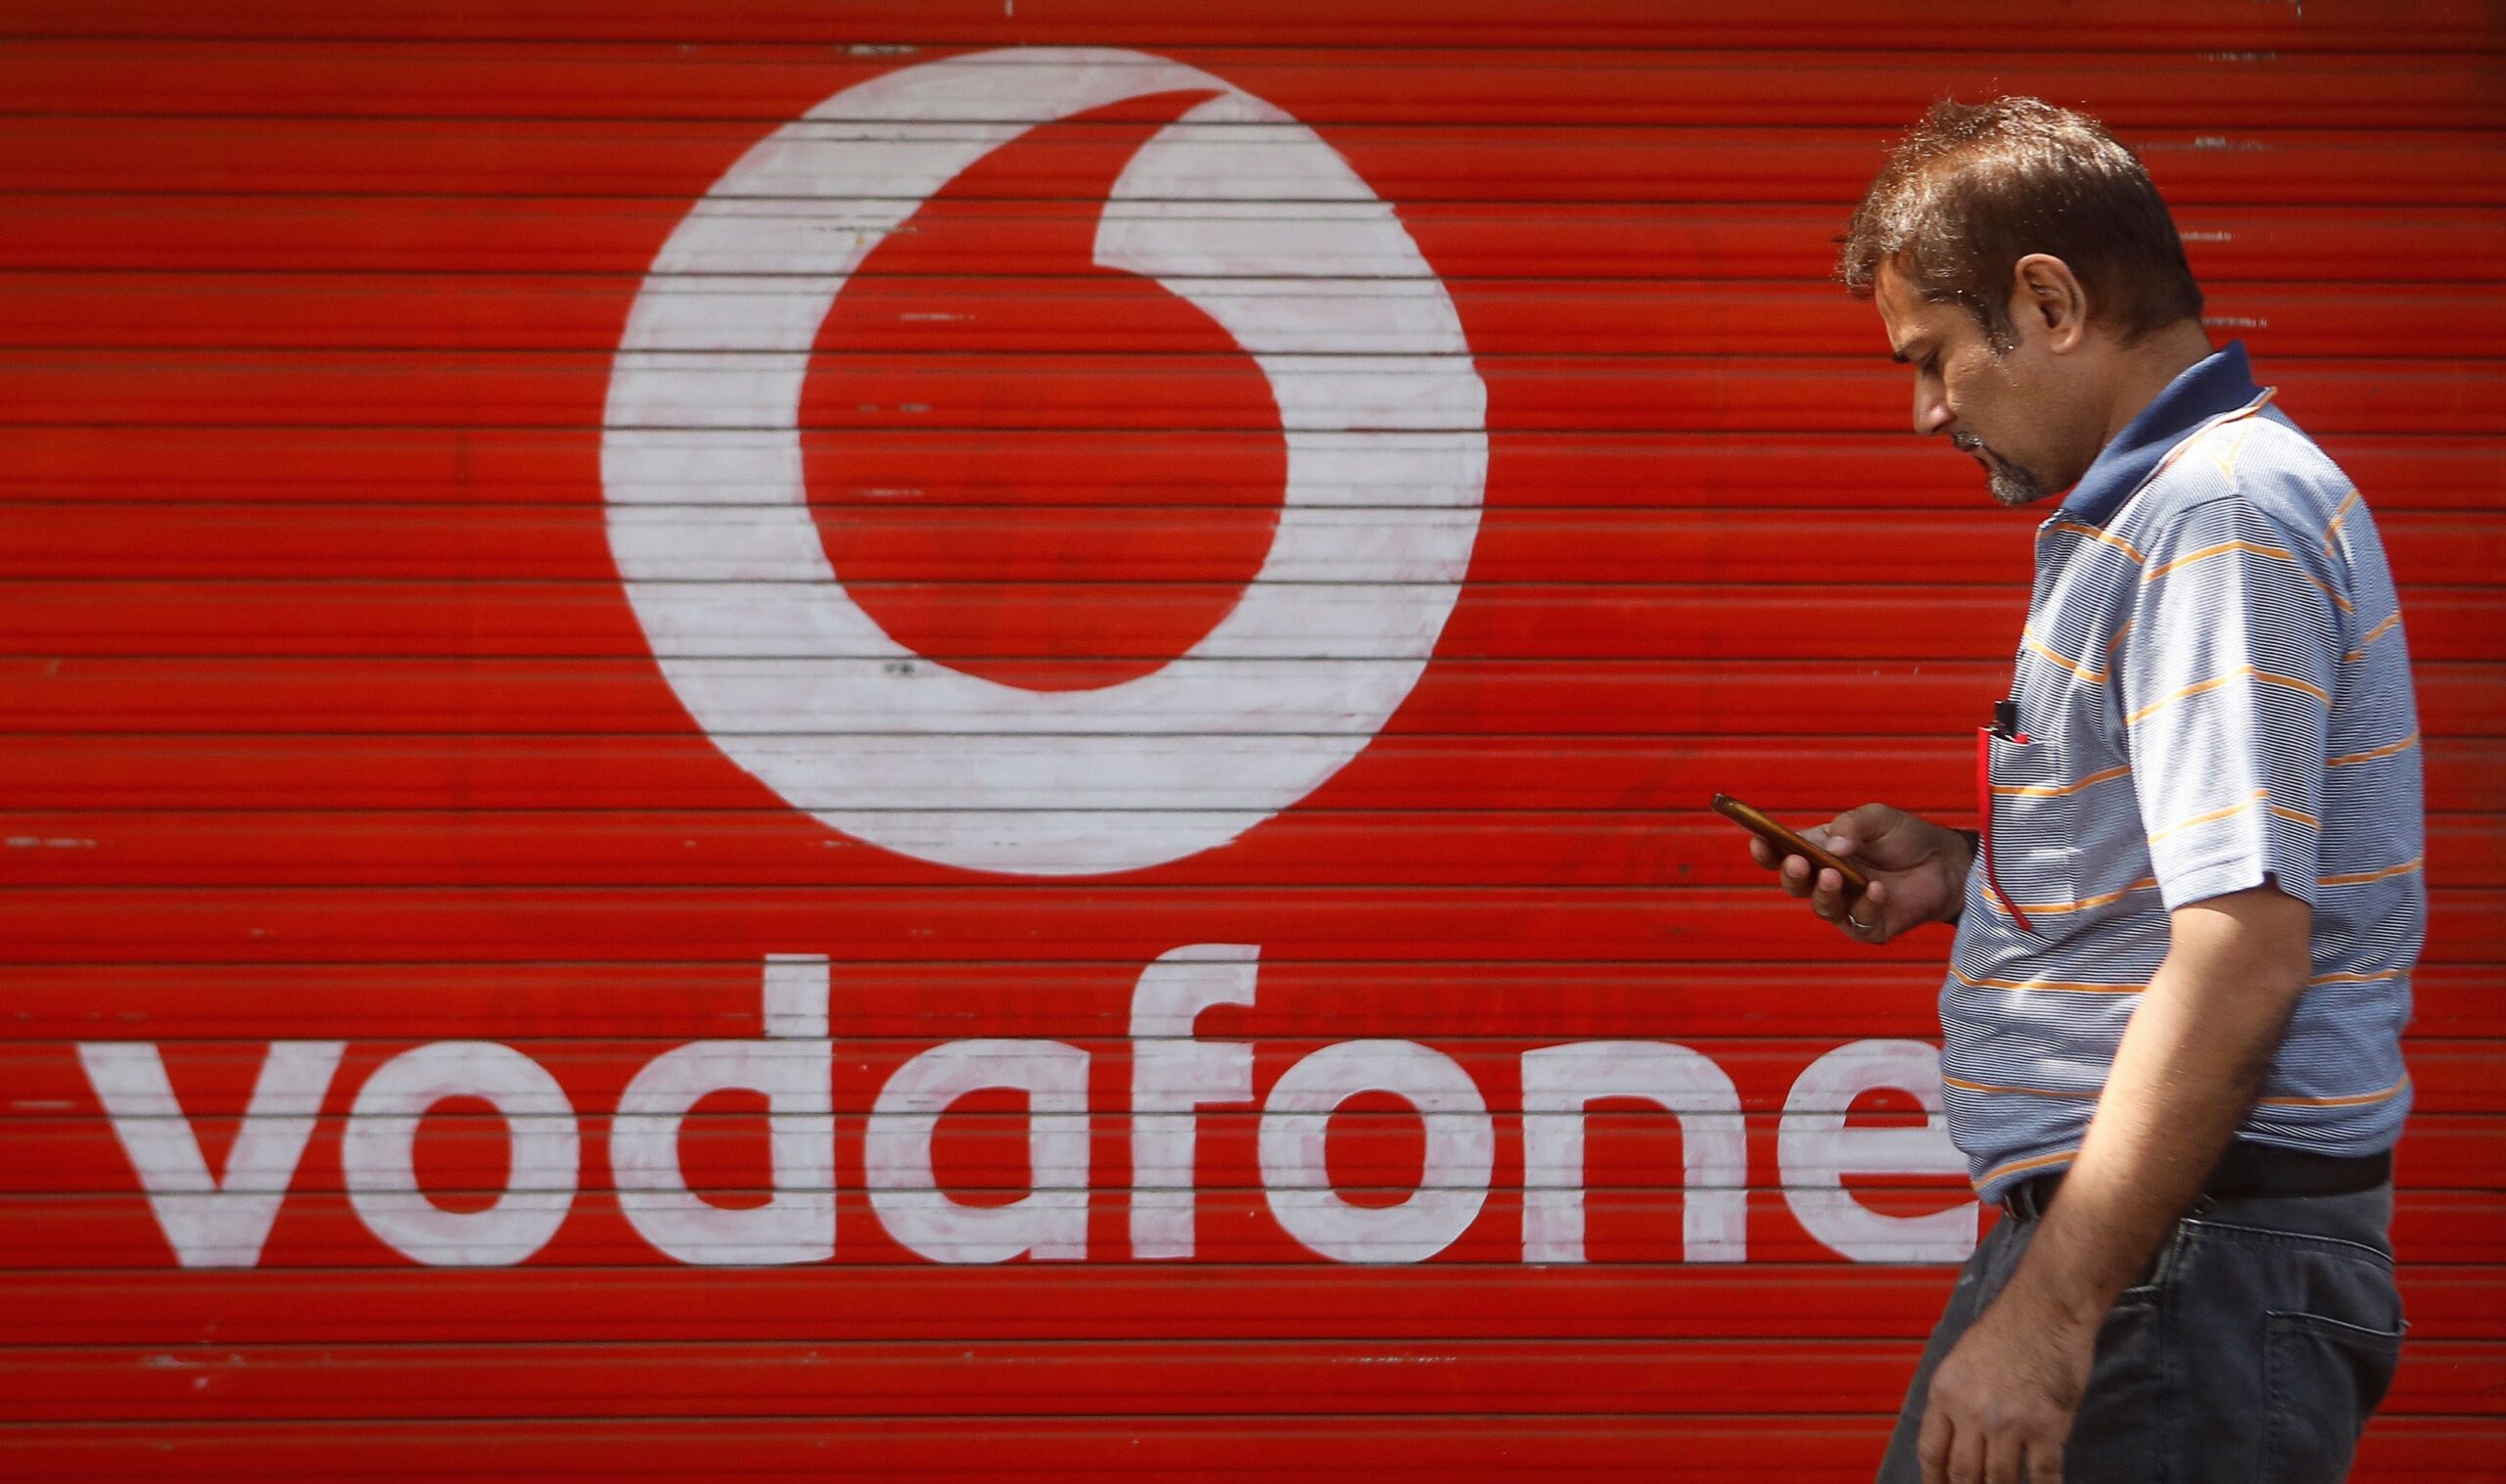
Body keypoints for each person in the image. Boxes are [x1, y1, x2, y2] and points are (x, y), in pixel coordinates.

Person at [1745, 98, 2425, 1483]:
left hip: (2178, 1268)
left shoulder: (2214, 517)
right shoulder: (2164, 516)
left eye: (1934, 357)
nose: (1928, 411)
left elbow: (2240, 951)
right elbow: (2192, 887)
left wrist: (2053, 1319)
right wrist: (1963, 874)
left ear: (2049, 303)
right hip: (2158, 1256)